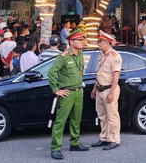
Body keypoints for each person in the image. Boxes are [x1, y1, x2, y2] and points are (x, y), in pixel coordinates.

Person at [48, 31, 89, 160]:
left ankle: (74, 143)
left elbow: (80, 71)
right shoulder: (63, 56)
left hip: (78, 91)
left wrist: (80, 85)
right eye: (79, 40)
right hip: (67, 93)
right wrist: (56, 90)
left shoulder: (80, 54)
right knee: (60, 121)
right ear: (71, 42)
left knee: (76, 119)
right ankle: (55, 148)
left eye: (82, 40)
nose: (82, 42)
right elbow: (51, 73)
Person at [91, 32, 122, 150]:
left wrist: (112, 92)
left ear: (106, 43)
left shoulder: (115, 56)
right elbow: (99, 73)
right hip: (100, 89)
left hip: (109, 89)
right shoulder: (102, 55)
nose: (98, 44)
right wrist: (95, 88)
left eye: (100, 42)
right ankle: (105, 137)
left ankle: (115, 139)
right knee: (102, 115)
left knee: (112, 116)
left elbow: (116, 75)